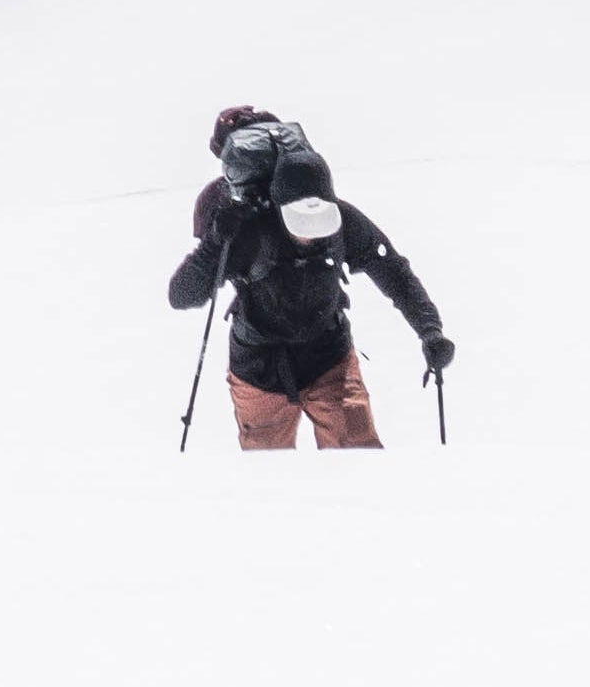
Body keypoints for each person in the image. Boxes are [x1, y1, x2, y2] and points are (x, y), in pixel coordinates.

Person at [168, 106, 452, 447]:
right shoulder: (246, 231)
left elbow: (392, 269)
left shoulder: (343, 220)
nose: (311, 233)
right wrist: (214, 243)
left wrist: (429, 330)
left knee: (360, 460)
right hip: (259, 372)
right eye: (300, 222)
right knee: (268, 478)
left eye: (319, 222)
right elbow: (181, 295)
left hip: (329, 360)